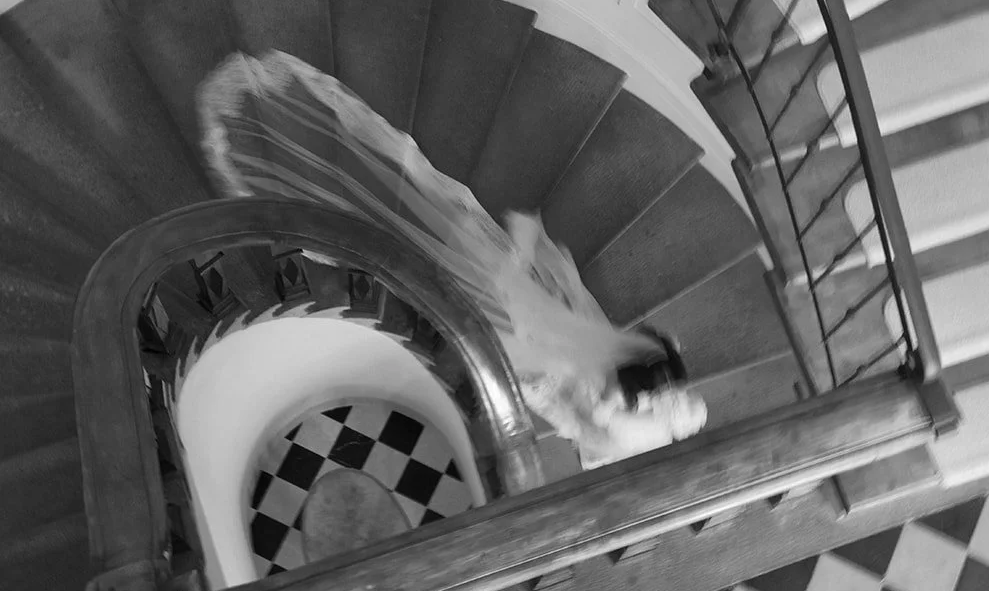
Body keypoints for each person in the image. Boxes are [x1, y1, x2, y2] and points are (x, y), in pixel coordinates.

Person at [198, 50, 707, 470]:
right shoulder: (623, 417)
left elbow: (636, 371)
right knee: (457, 294)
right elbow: (593, 430)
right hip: (540, 365)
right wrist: (602, 419)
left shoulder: (653, 352)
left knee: (474, 276)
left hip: (557, 338)